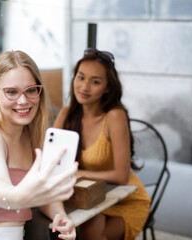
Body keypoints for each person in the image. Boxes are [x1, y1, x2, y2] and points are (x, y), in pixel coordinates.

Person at [0, 50, 77, 240]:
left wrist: (60, 216)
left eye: (31, 90)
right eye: (12, 92)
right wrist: (19, 197)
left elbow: (43, 196)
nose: (23, 100)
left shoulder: (31, 136)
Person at [53, 48, 151, 240]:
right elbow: (53, 161)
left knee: (89, 235)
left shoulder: (114, 116)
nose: (85, 87)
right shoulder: (66, 114)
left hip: (124, 198)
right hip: (88, 195)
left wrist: (79, 173)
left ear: (108, 87)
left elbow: (121, 176)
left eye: (95, 81)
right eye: (80, 77)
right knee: (63, 229)